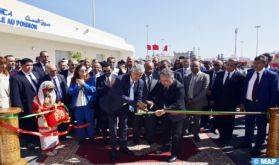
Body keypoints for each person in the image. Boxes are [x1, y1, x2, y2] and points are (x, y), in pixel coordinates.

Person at [99, 64, 146, 161]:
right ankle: (113, 150)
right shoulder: (121, 79)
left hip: (124, 107)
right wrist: (134, 102)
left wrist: (139, 105)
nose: (139, 77)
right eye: (137, 74)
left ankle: (123, 147)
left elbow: (139, 96)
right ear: (131, 72)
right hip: (112, 105)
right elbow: (118, 95)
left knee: (124, 127)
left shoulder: (141, 82)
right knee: (113, 129)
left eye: (141, 75)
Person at [238, 55, 279, 157]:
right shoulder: (249, 73)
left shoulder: (272, 75)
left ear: (265, 64)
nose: (255, 65)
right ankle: (247, 142)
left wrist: (271, 108)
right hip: (249, 104)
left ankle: (257, 147)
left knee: (261, 127)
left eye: (258, 63)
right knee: (249, 124)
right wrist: (242, 102)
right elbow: (245, 89)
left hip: (263, 106)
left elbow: (275, 93)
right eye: (254, 63)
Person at [151, 68, 186, 162]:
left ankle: (175, 153)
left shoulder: (179, 86)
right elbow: (154, 95)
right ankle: (165, 147)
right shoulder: (160, 83)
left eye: (166, 80)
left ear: (172, 77)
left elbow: (177, 104)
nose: (163, 83)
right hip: (165, 113)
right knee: (165, 131)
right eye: (162, 80)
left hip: (177, 114)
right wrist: (152, 102)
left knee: (176, 135)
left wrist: (164, 109)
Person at [210, 59, 245, 146]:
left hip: (231, 104)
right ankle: (221, 136)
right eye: (227, 65)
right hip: (218, 102)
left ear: (235, 66)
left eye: (231, 65)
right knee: (219, 120)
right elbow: (215, 87)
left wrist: (240, 103)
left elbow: (241, 91)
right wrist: (212, 99)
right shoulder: (220, 74)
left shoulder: (240, 76)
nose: (228, 67)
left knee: (229, 122)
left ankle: (227, 138)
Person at [32, 81, 70, 156]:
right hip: (43, 120)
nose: (49, 91)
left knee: (54, 133)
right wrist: (39, 110)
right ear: (43, 89)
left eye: (51, 89)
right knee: (45, 135)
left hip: (52, 119)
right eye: (47, 89)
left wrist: (57, 105)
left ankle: (53, 147)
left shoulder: (52, 96)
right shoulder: (36, 99)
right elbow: (34, 110)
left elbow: (53, 106)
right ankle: (45, 150)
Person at [10, 58, 40, 149]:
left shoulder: (36, 74)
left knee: (37, 122)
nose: (29, 67)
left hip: (38, 104)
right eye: (27, 65)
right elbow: (15, 94)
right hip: (27, 105)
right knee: (28, 123)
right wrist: (19, 107)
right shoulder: (16, 78)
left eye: (31, 65)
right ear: (22, 66)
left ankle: (37, 138)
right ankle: (29, 141)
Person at [133, 61, 160, 145]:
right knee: (137, 122)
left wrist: (153, 101)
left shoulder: (158, 76)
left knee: (150, 123)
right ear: (144, 68)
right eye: (147, 68)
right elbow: (134, 90)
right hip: (140, 103)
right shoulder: (138, 76)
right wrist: (142, 101)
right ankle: (136, 138)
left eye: (151, 68)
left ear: (154, 67)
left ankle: (150, 138)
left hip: (152, 105)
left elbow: (160, 92)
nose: (149, 70)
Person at [68, 64, 96, 144]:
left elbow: (93, 90)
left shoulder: (90, 79)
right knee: (80, 121)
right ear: (77, 71)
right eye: (82, 71)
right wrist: (78, 86)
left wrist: (84, 84)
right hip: (77, 105)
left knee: (89, 120)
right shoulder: (73, 80)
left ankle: (91, 136)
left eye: (85, 70)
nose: (84, 72)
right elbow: (70, 92)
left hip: (88, 104)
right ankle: (82, 137)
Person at [183, 60, 209, 142]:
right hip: (187, 102)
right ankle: (184, 132)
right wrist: (187, 99)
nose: (194, 68)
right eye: (192, 66)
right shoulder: (186, 76)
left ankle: (196, 134)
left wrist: (194, 100)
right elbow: (183, 89)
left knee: (197, 120)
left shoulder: (205, 76)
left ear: (200, 66)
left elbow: (205, 90)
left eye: (196, 66)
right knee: (185, 118)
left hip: (198, 102)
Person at [96, 62, 117, 141]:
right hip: (104, 104)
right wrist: (108, 87)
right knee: (104, 122)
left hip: (114, 104)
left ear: (111, 69)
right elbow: (98, 91)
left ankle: (114, 138)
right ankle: (104, 138)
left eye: (108, 71)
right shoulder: (99, 79)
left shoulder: (116, 77)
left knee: (113, 122)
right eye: (105, 71)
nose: (107, 73)